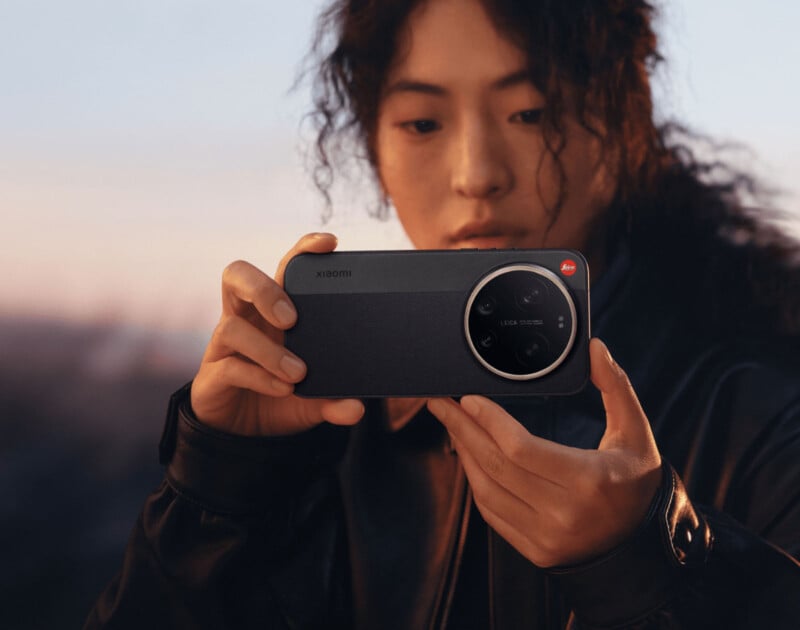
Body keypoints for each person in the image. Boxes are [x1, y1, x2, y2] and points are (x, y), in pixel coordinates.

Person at [85, 0, 800, 628]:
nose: (475, 173)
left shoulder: (766, 413)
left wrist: (650, 560)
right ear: (375, 151)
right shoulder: (320, 423)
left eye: (533, 113)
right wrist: (221, 486)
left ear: (620, 125)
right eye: (422, 121)